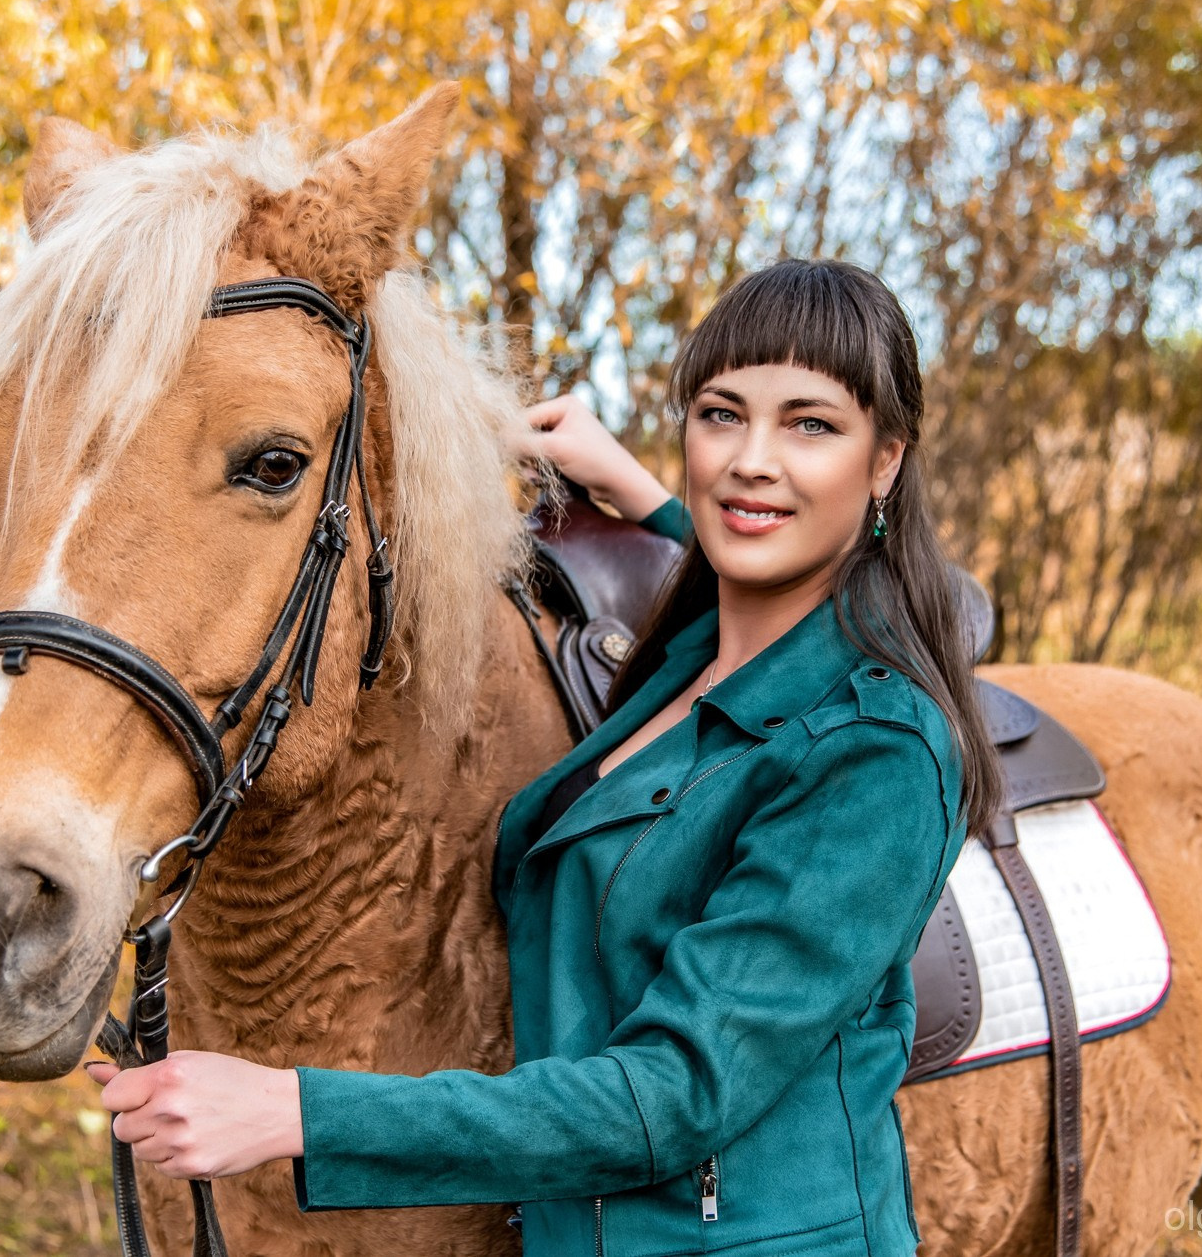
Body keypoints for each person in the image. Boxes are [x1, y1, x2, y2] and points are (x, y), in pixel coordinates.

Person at [85, 258, 1004, 1256]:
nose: (751, 459)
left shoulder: (877, 749)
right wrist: (645, 496)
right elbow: (744, 537)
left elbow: (672, 1094)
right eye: (722, 413)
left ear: (885, 461)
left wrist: (292, 1110)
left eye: (811, 425)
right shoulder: (694, 658)